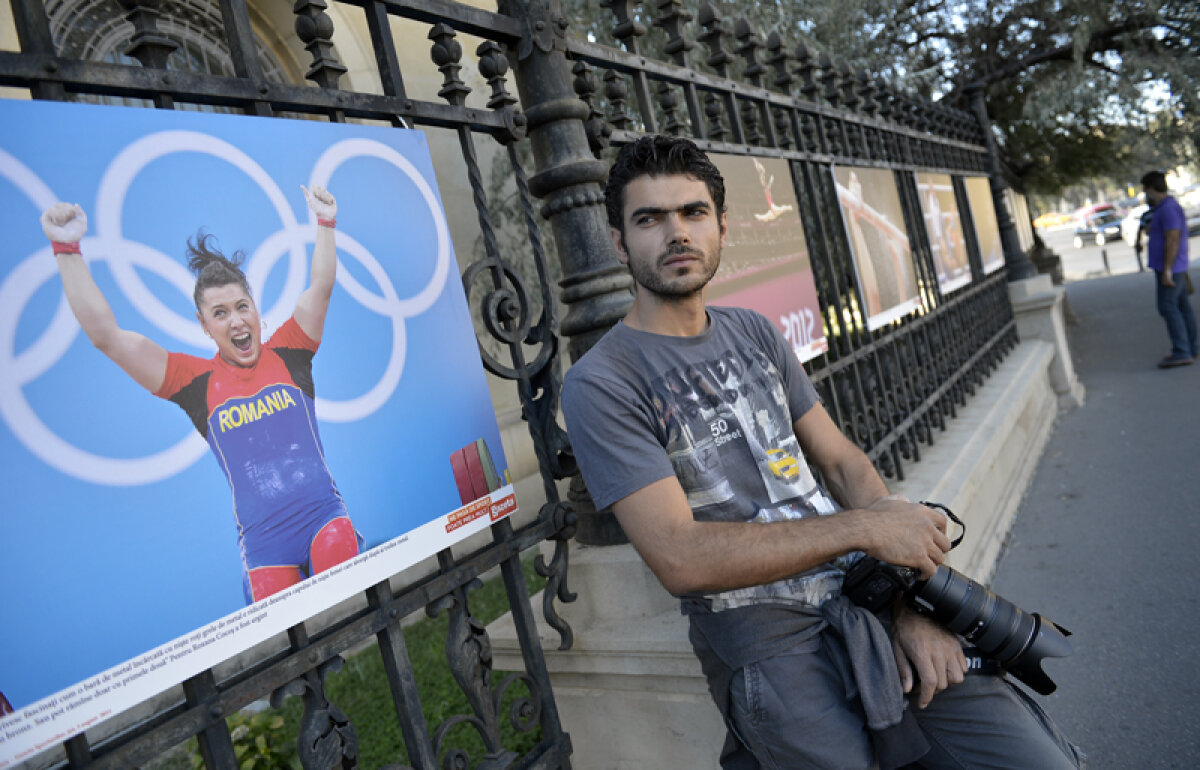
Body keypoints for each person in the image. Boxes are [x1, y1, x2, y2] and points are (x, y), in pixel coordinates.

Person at [561, 136, 1083, 769]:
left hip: (867, 599)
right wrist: (865, 529)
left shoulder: (753, 330)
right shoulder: (602, 382)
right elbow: (680, 557)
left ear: (722, 226)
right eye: (650, 219)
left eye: (693, 212)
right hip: (770, 643)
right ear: (620, 242)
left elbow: (841, 462)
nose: (677, 234)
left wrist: (908, 602)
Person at [40, 186, 361, 604]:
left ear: (255, 309)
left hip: (324, 522)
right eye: (220, 313)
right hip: (266, 551)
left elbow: (321, 285)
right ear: (204, 324)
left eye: (242, 306)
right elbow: (107, 337)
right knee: (289, 640)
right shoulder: (193, 383)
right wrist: (66, 248)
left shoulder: (291, 350)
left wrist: (325, 222)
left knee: (349, 603)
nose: (236, 321)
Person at [1138, 170, 1197, 368]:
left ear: (1151, 189)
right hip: (1173, 266)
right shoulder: (1164, 208)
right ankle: (1192, 347)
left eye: (1145, 190)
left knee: (1168, 307)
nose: (1146, 195)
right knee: (1182, 307)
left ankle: (1182, 351)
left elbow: (1172, 240)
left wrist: (1167, 270)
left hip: (1171, 267)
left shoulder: (1168, 209)